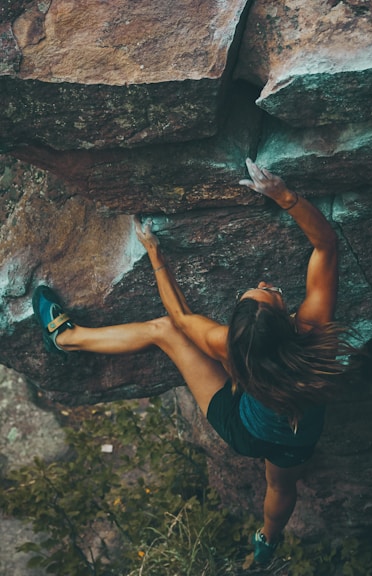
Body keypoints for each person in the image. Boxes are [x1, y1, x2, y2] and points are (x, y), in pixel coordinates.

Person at [33, 158, 351, 564]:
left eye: (260, 291)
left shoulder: (227, 346)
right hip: (290, 437)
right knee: (281, 487)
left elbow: (179, 319)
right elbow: (326, 244)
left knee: (164, 331)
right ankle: (266, 545)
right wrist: (283, 195)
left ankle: (67, 338)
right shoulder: (313, 332)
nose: (262, 284)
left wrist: (154, 252)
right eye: (266, 291)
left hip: (242, 427)